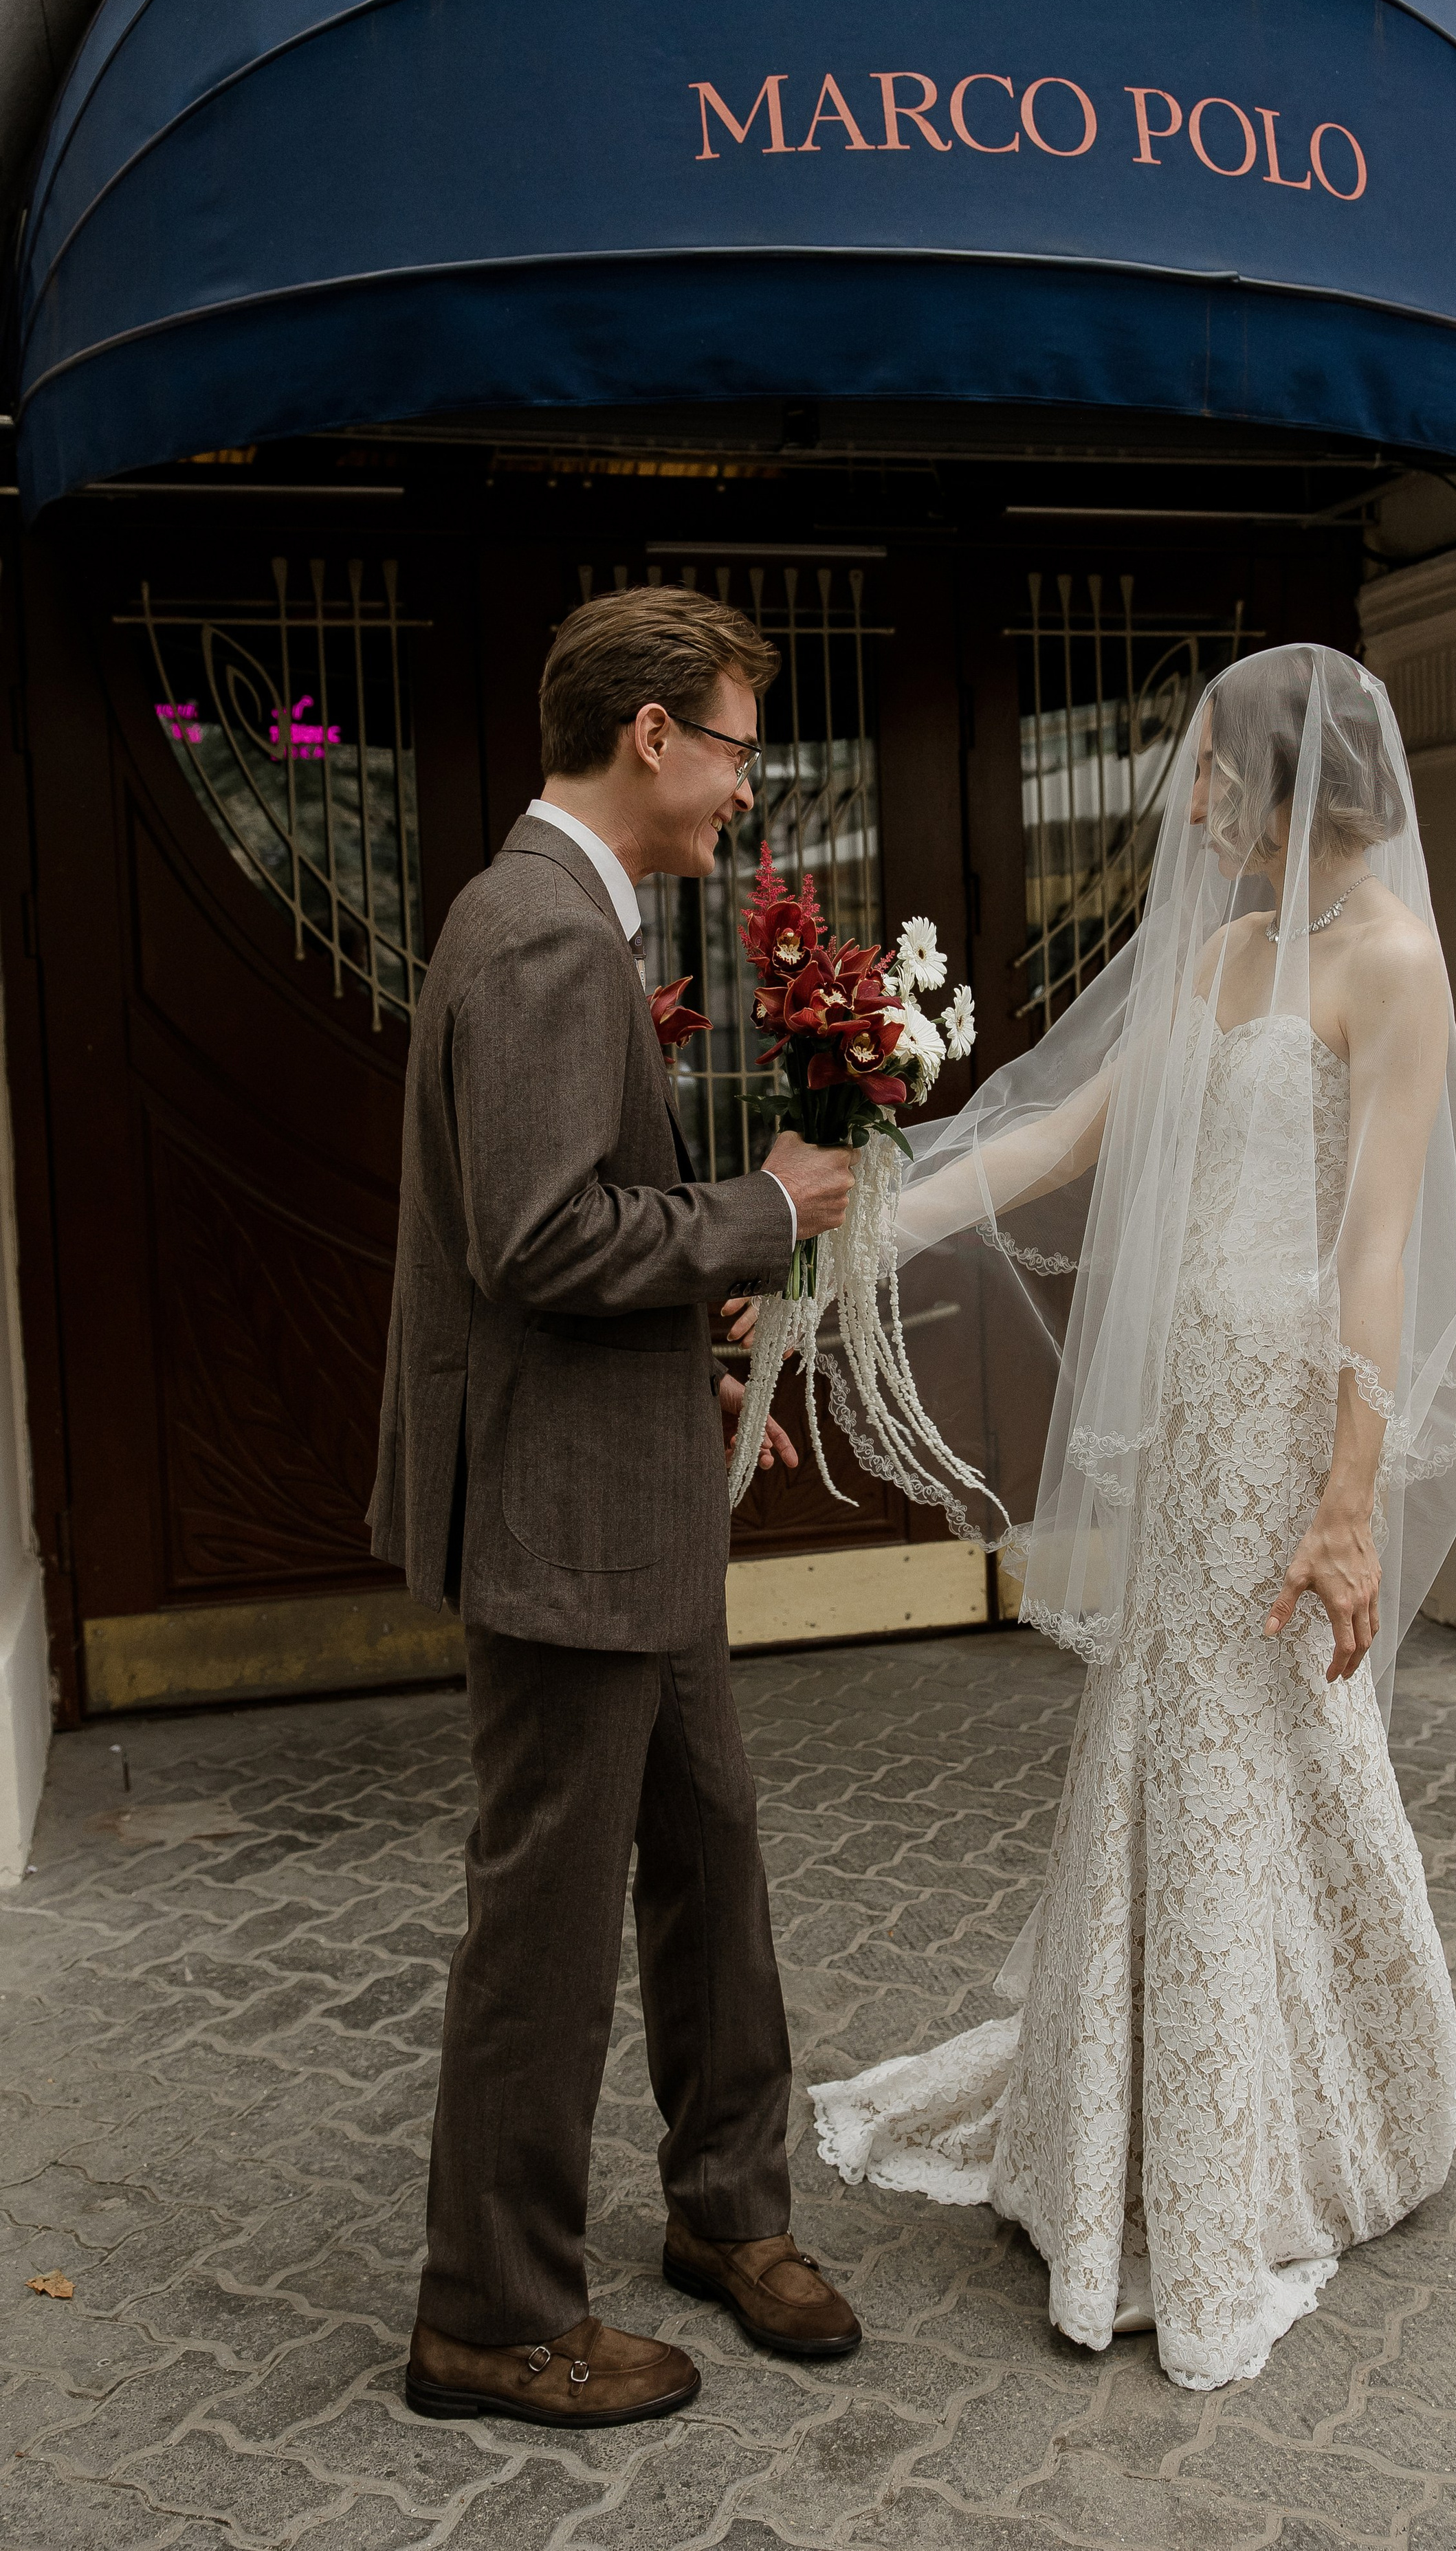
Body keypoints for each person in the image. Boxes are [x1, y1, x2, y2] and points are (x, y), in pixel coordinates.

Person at [805, 644, 1456, 2391]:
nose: (1181, 803)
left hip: (1288, 1414)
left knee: (1270, 1728)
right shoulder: (1218, 954)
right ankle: (1137, 2102)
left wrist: (1349, 1499)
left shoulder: (1392, 962)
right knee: (1175, 1728)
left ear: (1287, 783)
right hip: (1197, 1410)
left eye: (1202, 774)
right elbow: (1054, 1147)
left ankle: (1286, 2122)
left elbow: (1379, 1250)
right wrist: (851, 1248)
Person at [371, 586, 863, 2430]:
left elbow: (568, 1245)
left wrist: (699, 1351)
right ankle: (487, 2317)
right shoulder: (544, 934)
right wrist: (764, 1212)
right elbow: (540, 1233)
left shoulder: (567, 917)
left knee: (714, 1873)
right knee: (548, 1937)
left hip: (627, 1503)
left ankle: (727, 2215)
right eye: (738, 744)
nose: (751, 786)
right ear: (653, 731)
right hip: (568, 1545)